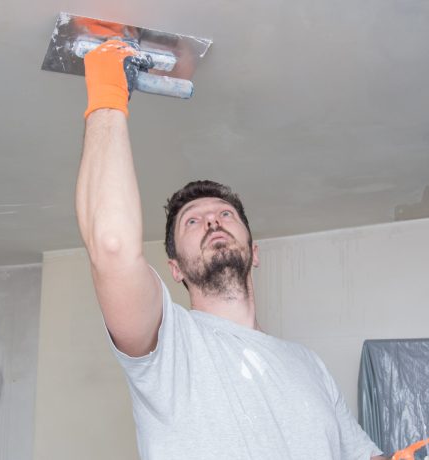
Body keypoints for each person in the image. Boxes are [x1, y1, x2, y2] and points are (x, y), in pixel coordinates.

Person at [75, 40, 387, 460]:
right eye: (193, 221)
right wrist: (107, 89)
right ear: (175, 268)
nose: (212, 222)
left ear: (254, 252)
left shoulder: (307, 364)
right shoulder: (168, 344)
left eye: (225, 215)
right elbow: (112, 246)